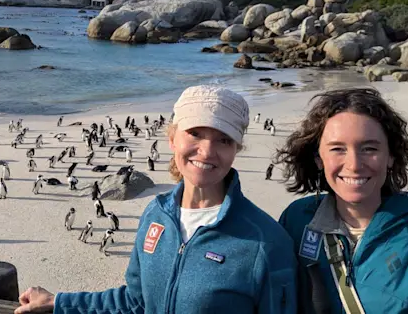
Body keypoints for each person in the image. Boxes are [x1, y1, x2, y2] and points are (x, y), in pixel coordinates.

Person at [15, 85, 297, 314]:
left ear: (236, 149)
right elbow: (136, 302)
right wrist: (59, 302)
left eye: (223, 139)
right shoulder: (156, 214)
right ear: (172, 139)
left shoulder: (266, 243)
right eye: (195, 133)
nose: (207, 151)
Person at [275, 88, 408, 313]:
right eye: (338, 149)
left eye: (369, 149)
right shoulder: (297, 220)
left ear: (391, 156)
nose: (354, 165)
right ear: (318, 158)